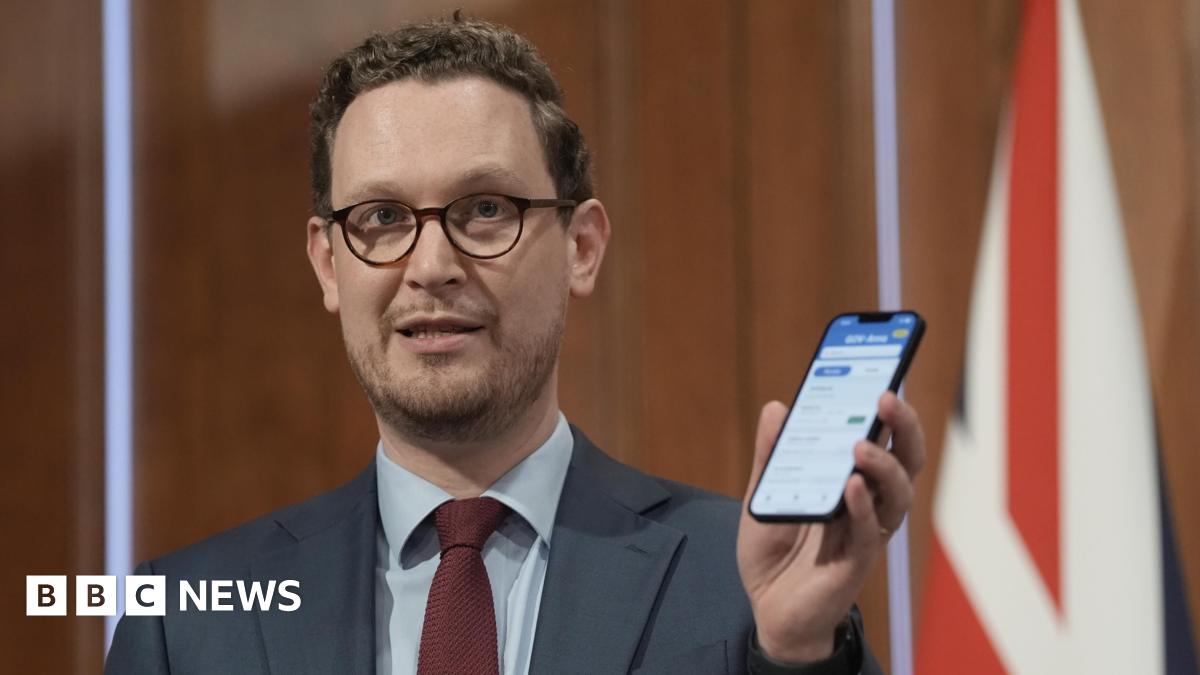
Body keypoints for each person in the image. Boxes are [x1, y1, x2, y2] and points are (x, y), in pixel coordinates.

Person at [106, 13, 924, 675]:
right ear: (328, 263)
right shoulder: (183, 617)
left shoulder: (742, 578)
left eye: (486, 209)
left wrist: (797, 655)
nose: (431, 265)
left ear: (582, 247)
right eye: (382, 217)